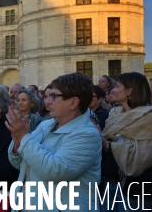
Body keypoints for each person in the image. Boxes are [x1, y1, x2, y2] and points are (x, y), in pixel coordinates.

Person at [6, 72, 101, 211]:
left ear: (73, 102)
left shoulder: (87, 134)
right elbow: (18, 163)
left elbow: (55, 171)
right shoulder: (47, 125)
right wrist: (17, 143)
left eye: (54, 96)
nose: (47, 101)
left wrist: (24, 137)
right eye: (48, 96)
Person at [100, 72, 152, 211]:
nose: (112, 90)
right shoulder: (114, 114)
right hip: (110, 184)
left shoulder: (150, 118)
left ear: (129, 91)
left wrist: (108, 145)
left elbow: (142, 157)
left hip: (137, 190)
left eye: (116, 86)